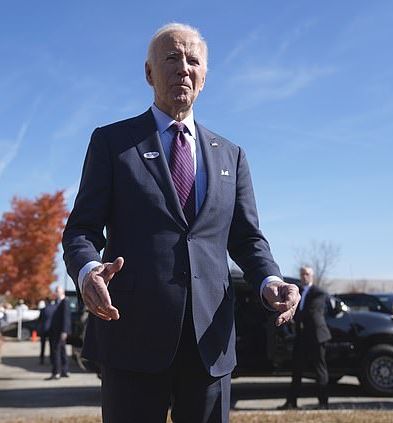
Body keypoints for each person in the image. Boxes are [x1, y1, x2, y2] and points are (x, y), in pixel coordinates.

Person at [62, 23, 299, 422]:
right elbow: (81, 230)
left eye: (193, 60)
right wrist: (88, 272)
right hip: (133, 333)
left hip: (210, 340)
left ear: (205, 77)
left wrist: (270, 281)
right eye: (171, 58)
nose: (183, 68)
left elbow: (247, 238)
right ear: (149, 72)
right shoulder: (111, 142)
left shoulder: (232, 156)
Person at [278, 266, 332, 410]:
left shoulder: (318, 293)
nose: (304, 276)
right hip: (302, 336)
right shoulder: (298, 292)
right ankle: (291, 403)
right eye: (302, 274)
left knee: (320, 370)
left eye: (307, 274)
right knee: (296, 370)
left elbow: (312, 311)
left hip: (316, 336)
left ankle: (323, 403)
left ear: (312, 276)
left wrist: (290, 315)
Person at [49, 286, 72, 379]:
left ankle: (56, 372)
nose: (56, 292)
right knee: (62, 351)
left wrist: (64, 331)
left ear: (62, 292)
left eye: (57, 291)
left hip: (61, 332)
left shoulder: (65, 302)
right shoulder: (57, 302)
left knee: (57, 351)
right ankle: (64, 371)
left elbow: (66, 317)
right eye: (56, 291)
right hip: (56, 331)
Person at [37, 295, 56, 364]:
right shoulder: (55, 309)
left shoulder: (43, 310)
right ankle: (52, 359)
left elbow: (39, 320)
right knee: (52, 345)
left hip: (44, 329)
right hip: (52, 329)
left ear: (46, 302)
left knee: (43, 345)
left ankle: (42, 359)